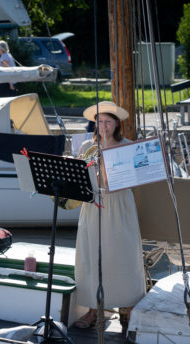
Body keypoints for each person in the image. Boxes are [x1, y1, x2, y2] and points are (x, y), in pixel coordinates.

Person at [72, 101, 146, 330]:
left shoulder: (127, 145)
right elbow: (79, 178)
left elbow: (135, 178)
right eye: (100, 121)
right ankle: (94, 310)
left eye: (108, 121)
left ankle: (128, 309)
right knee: (92, 257)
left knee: (123, 256)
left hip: (119, 204)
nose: (103, 126)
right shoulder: (87, 145)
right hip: (94, 204)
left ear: (116, 124)